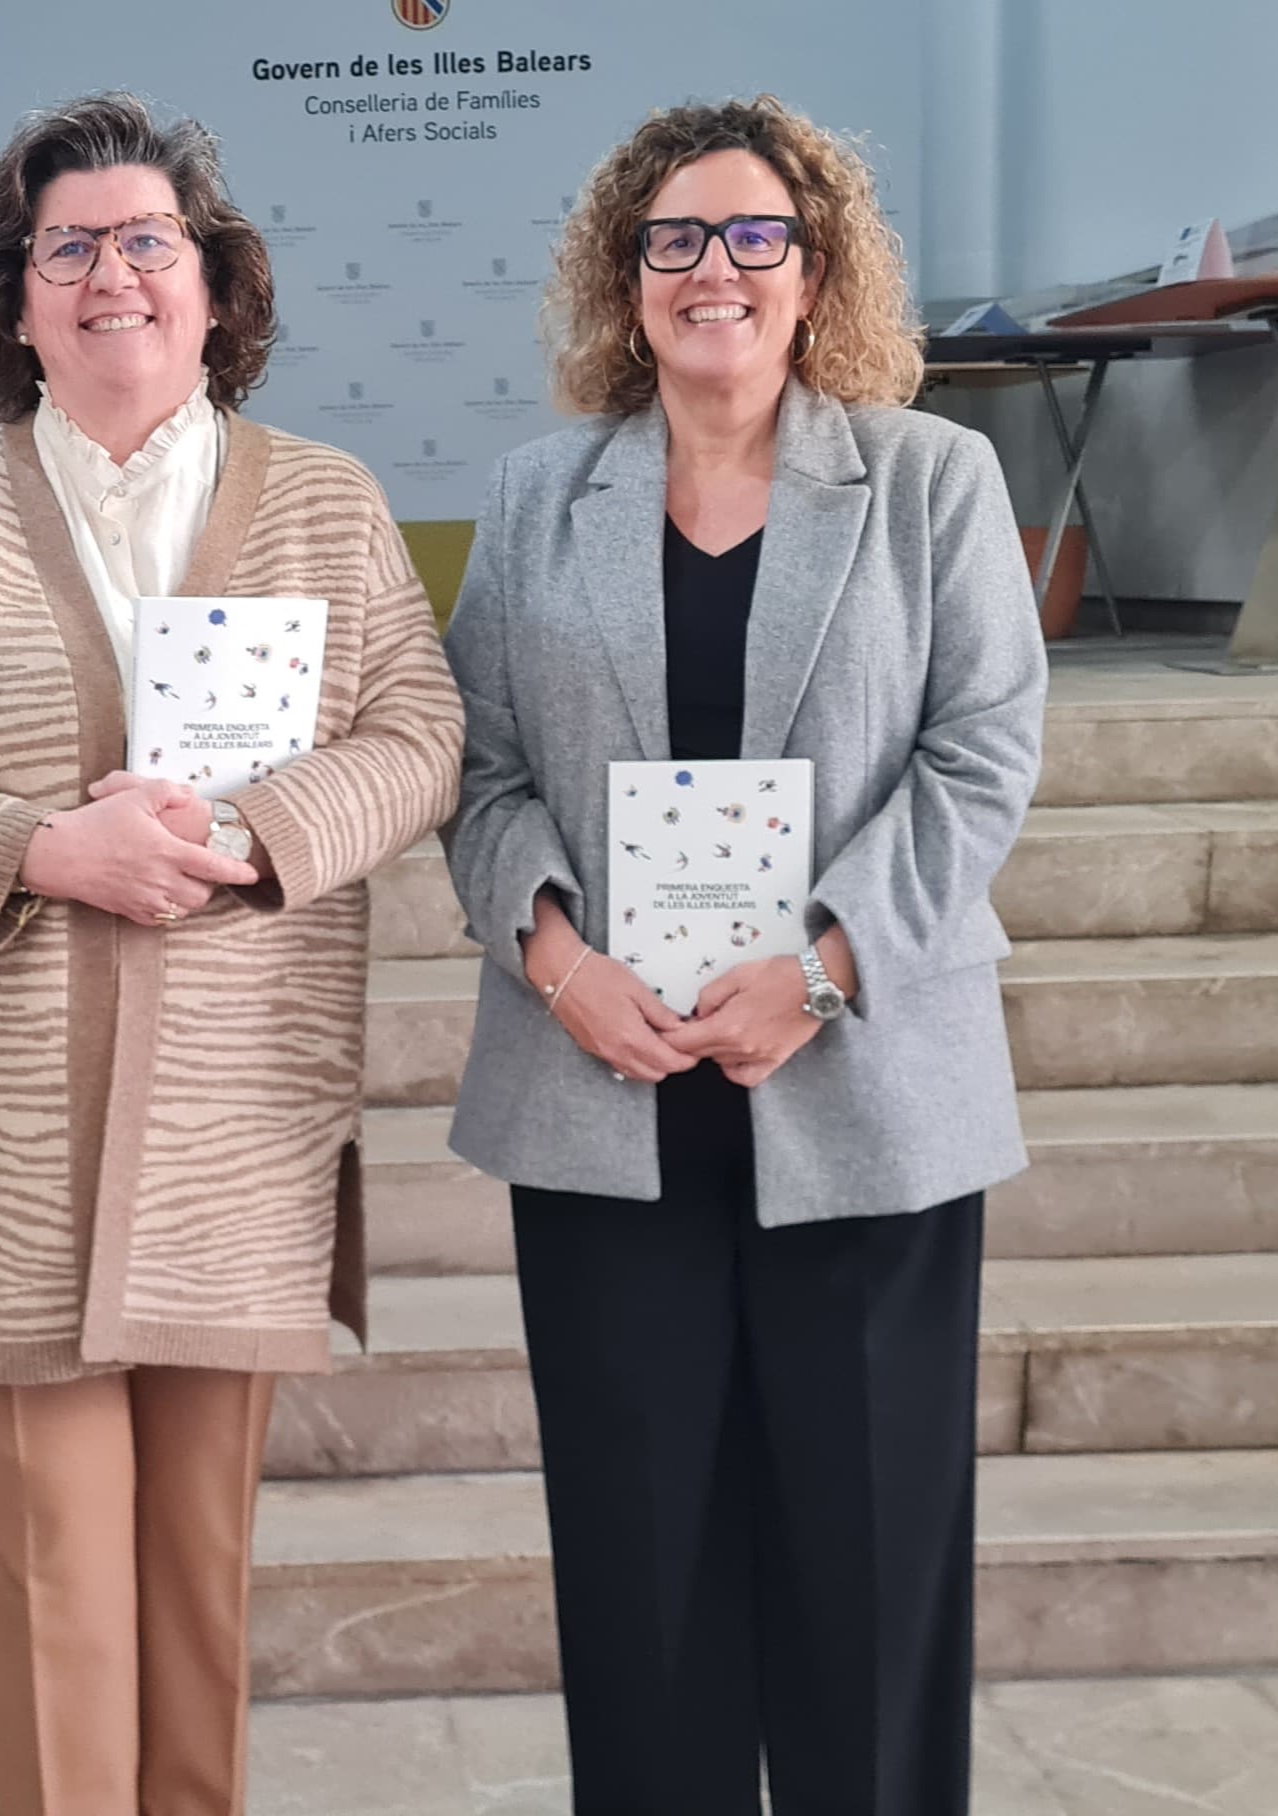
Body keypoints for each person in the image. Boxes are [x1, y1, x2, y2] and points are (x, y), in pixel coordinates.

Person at [0, 91, 463, 1816]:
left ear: (214, 282)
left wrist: (253, 834)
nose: (114, 275)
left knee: (194, 1586)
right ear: (16, 302)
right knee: (49, 1600)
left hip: (230, 1131)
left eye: (149, 241)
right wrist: (40, 848)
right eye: (69, 249)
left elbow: (420, 733)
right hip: (0, 1137)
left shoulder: (323, 502)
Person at [441, 96, 1048, 1814]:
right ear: (625, 277)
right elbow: (476, 767)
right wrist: (557, 960)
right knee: (642, 1591)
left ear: (815, 269)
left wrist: (828, 964)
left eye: (755, 235)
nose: (716, 268)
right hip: (608, 1094)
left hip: (862, 1095)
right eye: (676, 239)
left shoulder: (930, 481)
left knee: (871, 1582)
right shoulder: (540, 494)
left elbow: (984, 753)